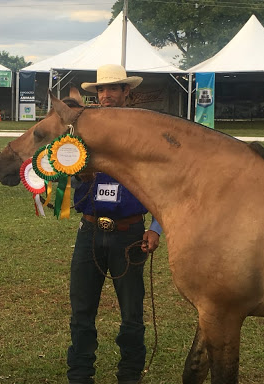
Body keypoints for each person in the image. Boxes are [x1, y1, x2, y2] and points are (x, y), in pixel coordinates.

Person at [66, 64, 162, 384]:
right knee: (81, 312)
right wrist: (75, 172)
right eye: (101, 90)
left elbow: (165, 184)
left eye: (113, 89)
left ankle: (130, 375)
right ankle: (80, 374)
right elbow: (66, 171)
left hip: (130, 234)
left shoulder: (144, 132)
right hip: (90, 231)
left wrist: (156, 227)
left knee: (132, 314)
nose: (105, 95)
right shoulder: (82, 128)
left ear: (126, 92)